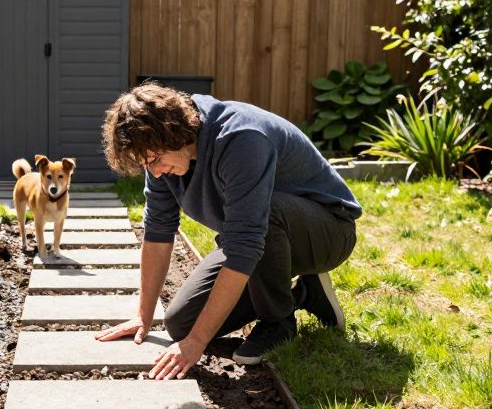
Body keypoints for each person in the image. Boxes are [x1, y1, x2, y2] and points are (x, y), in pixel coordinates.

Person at [94, 83, 361, 379]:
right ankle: (305, 293)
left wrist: (197, 343)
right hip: (258, 236)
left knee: (262, 220)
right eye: (147, 165)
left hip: (327, 231)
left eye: (155, 161)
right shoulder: (159, 154)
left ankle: (279, 322)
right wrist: (143, 316)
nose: (155, 171)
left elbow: (245, 244)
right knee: (180, 324)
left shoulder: (240, 139)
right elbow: (158, 228)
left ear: (175, 132)